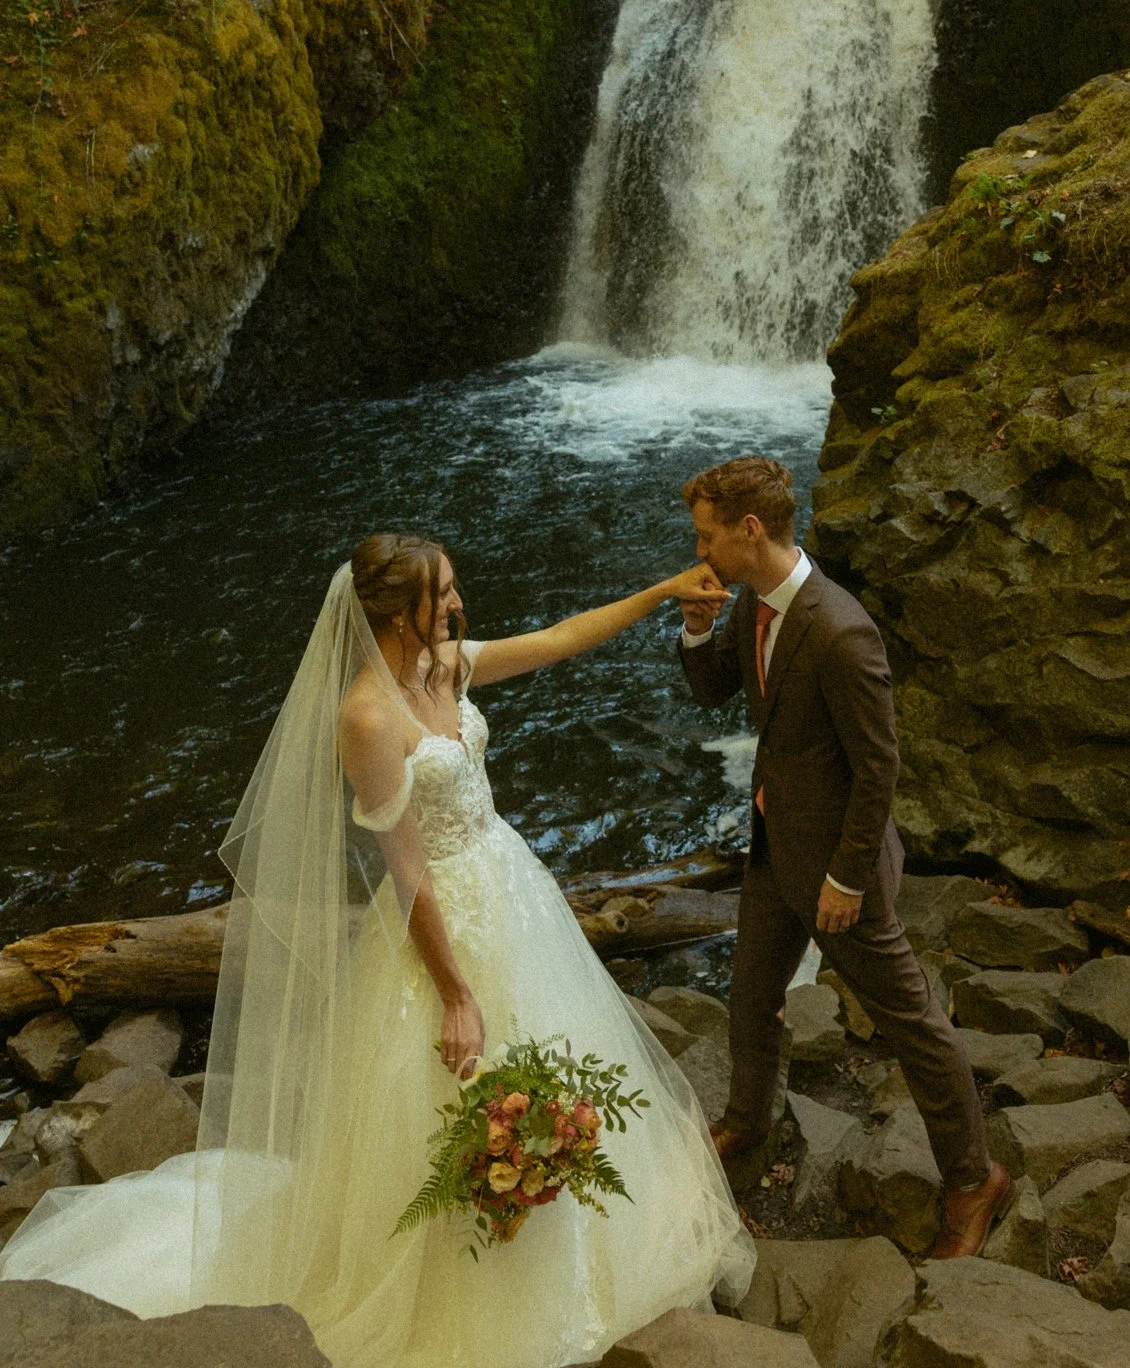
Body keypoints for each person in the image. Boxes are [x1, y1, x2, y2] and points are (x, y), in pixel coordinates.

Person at [0, 535, 755, 1366]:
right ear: (398, 612)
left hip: (510, 886)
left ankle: (573, 1241)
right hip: (441, 923)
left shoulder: (441, 665)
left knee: (555, 1059)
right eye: (445, 592)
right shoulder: (366, 717)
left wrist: (658, 593)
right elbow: (406, 874)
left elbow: (557, 639)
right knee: (452, 1099)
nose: (459, 601)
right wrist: (456, 993)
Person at [677, 455, 1014, 1259]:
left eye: (706, 538)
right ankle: (747, 1122)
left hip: (836, 873)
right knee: (751, 996)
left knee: (912, 1024)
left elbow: (878, 769)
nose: (699, 555)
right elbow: (716, 688)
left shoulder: (838, 628)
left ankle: (973, 1179)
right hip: (773, 846)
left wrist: (845, 879)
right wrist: (695, 625)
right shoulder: (754, 599)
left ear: (749, 531)